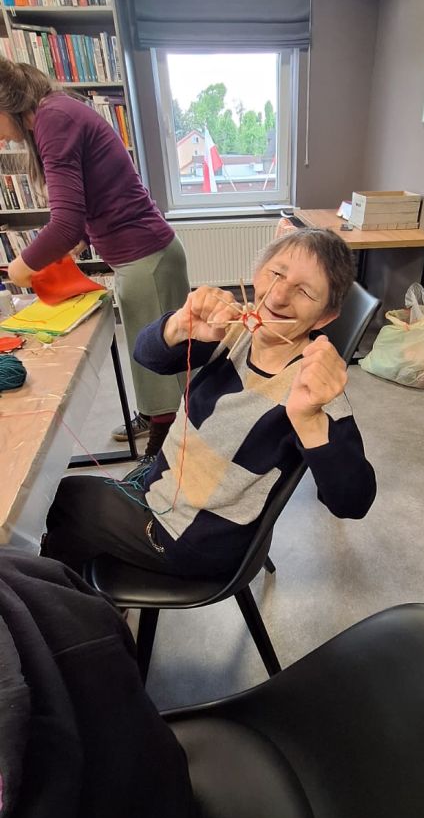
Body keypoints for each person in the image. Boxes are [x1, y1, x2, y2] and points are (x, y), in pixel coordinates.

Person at [42, 228, 376, 578]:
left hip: (197, 538)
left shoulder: (313, 391)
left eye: (304, 291)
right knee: (81, 511)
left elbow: (352, 503)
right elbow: (147, 357)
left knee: (67, 498)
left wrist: (310, 422)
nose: (277, 297)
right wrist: (177, 326)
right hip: (164, 482)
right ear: (257, 271)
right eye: (276, 273)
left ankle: (65, 596)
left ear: (325, 318)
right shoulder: (234, 329)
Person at [0, 57, 189, 461]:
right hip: (143, 257)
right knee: (147, 352)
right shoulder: (55, 112)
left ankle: (158, 456)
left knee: (157, 359)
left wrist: (22, 265)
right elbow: (99, 194)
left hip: (147, 259)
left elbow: (65, 221)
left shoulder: (53, 119)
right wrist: (83, 240)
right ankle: (153, 416)